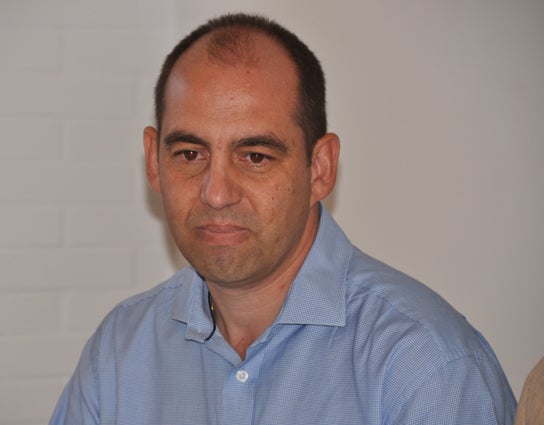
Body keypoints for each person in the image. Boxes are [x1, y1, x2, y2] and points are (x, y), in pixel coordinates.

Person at [49, 13, 516, 424]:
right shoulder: (120, 350)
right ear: (154, 161)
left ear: (320, 169)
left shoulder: (428, 366)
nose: (216, 194)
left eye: (255, 156)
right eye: (190, 153)